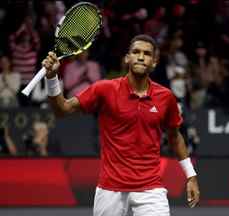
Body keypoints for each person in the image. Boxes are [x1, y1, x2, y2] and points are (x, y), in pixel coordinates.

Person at [42, 34, 200, 216]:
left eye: (147, 54)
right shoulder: (104, 89)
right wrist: (52, 77)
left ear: (154, 62)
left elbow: (175, 136)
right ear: (127, 58)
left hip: (150, 189)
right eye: (136, 52)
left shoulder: (166, 97)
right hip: (110, 190)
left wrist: (191, 175)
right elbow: (62, 110)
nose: (141, 57)